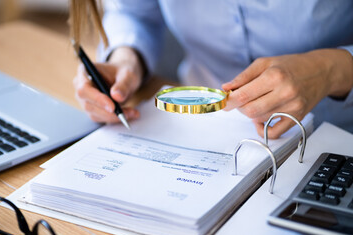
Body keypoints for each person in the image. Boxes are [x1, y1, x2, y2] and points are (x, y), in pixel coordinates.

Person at [71, 0, 353, 138]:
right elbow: (135, 12)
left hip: (339, 132)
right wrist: (125, 59)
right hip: (199, 131)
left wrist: (330, 70)